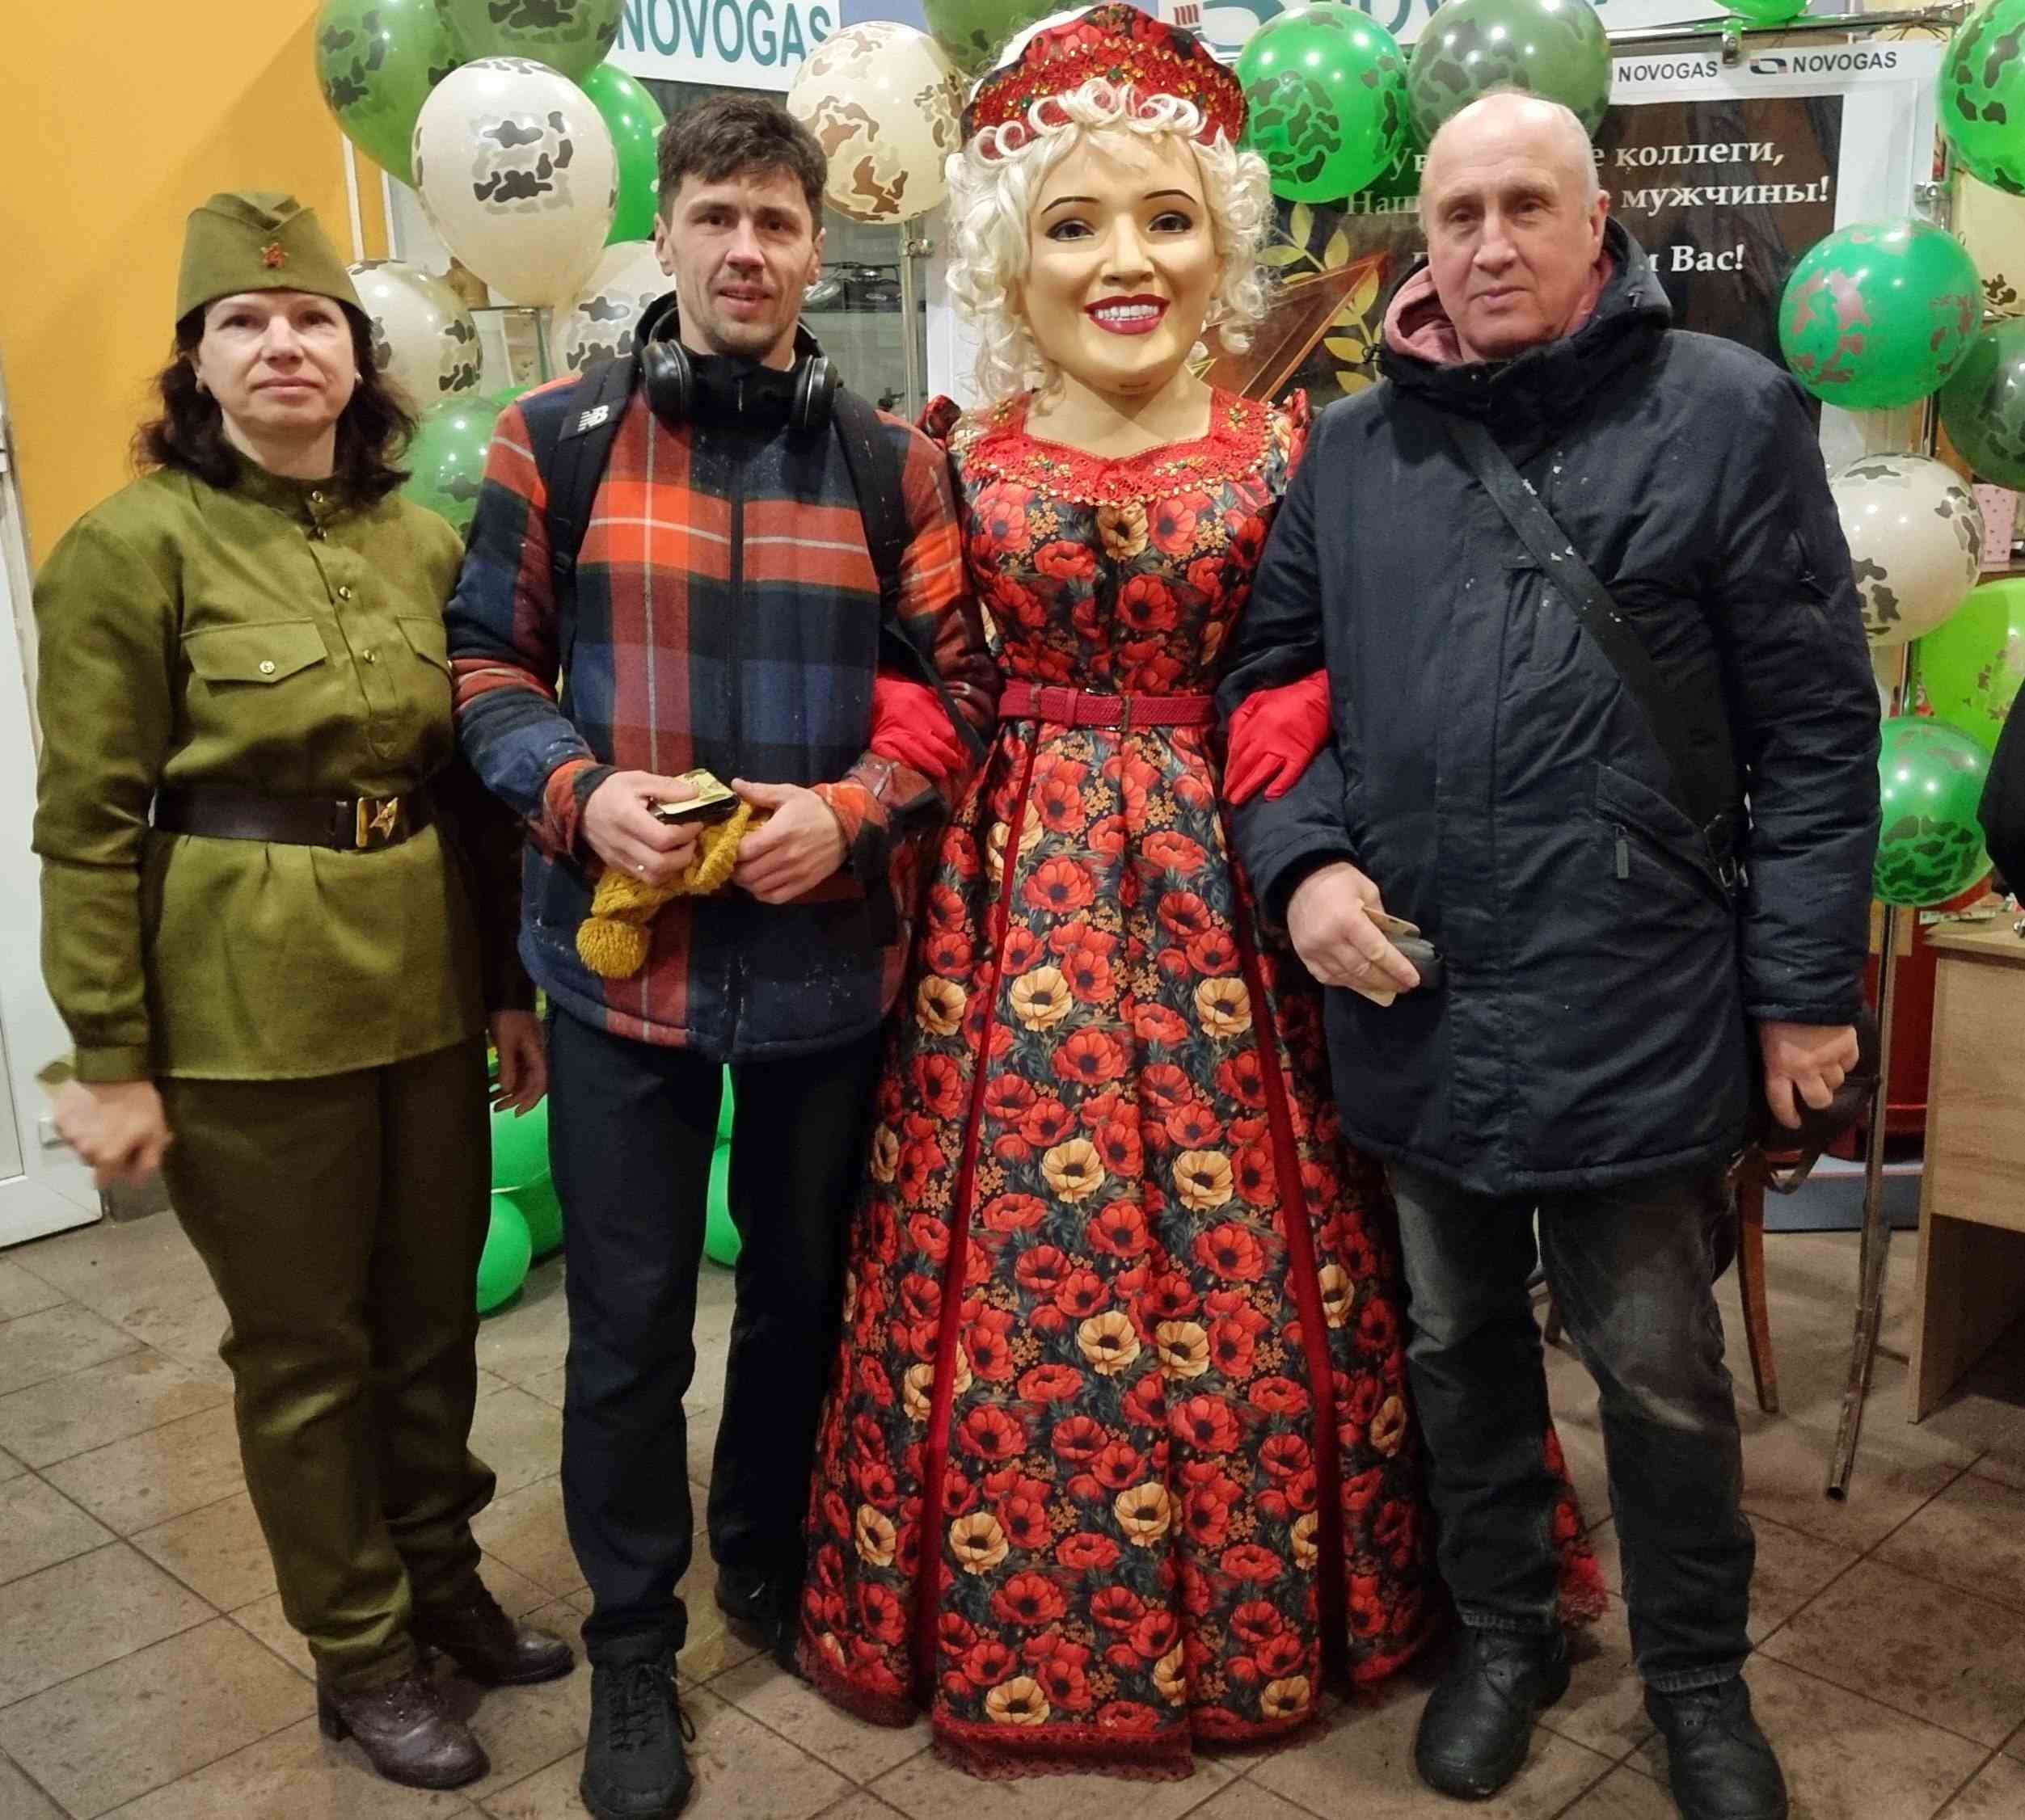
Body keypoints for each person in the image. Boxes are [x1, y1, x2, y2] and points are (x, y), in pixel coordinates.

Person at [794, 11, 1601, 1782]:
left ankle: (1345, 1602)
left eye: (1165, 218)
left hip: (1248, 887)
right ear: (1011, 256)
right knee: (1011, 1273)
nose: (1125, 261)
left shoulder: (1301, 449)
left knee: (1310, 1267)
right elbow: (924, 682)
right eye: (1074, 224)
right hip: (1007, 915)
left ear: (1221, 236)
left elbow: (1333, 669)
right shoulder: (946, 455)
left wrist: (1308, 813)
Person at [1221, 91, 1881, 1820]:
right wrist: (1299, 868)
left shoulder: (1725, 412)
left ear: (1599, 224)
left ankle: (1695, 1681)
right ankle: (1506, 1636)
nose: (1489, 242)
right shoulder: (1347, 451)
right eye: (1458, 213)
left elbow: (1817, 729)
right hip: (1416, 994)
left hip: (1634, 997)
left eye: (1527, 205)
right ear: (1420, 238)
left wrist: (1803, 994)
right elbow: (1270, 686)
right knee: (1454, 1353)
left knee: (1658, 1374)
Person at [445, 97, 998, 1820]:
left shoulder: (894, 465)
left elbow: (963, 691)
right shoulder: (556, 440)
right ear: (667, 232)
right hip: (620, 979)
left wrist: (855, 810)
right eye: (715, 217)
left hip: (829, 972)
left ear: (816, 247)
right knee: (622, 1332)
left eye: (775, 221)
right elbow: (483, 668)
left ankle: (766, 1557)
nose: (745, 250)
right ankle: (634, 1642)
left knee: (802, 1297)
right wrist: (577, 792)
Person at [32, 192, 571, 1793]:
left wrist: (507, 986)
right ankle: (362, 1651)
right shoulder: (130, 548)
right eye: (243, 324)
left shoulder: (423, 543)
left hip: (423, 986)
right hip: (239, 1010)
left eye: (311, 319)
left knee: (429, 1326)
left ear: (357, 354)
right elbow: (87, 821)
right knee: (304, 1355)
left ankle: (443, 1584)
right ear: (196, 365)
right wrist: (108, 1053)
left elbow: (469, 796)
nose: (282, 345)